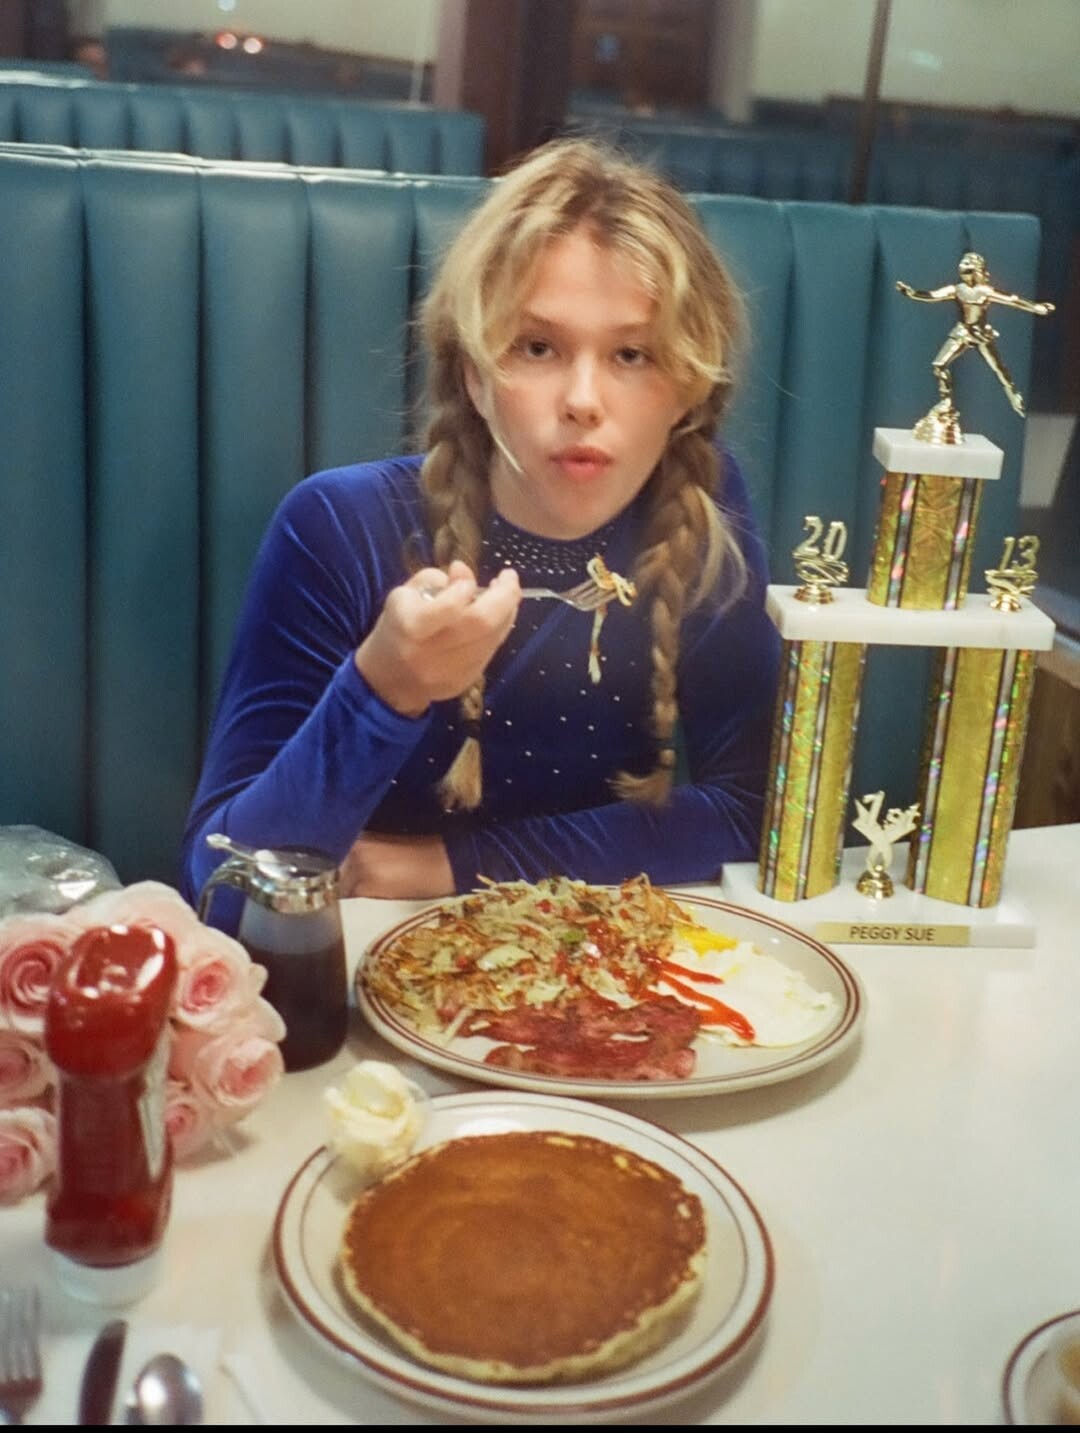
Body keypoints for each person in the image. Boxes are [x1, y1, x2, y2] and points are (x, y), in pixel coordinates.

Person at [180, 138, 781, 920]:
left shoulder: (703, 507)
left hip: (591, 966)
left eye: (633, 354)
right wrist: (383, 690)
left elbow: (759, 811)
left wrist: (446, 865)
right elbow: (223, 888)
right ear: (473, 371)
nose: (583, 399)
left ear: (689, 388)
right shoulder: (339, 526)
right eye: (537, 347)